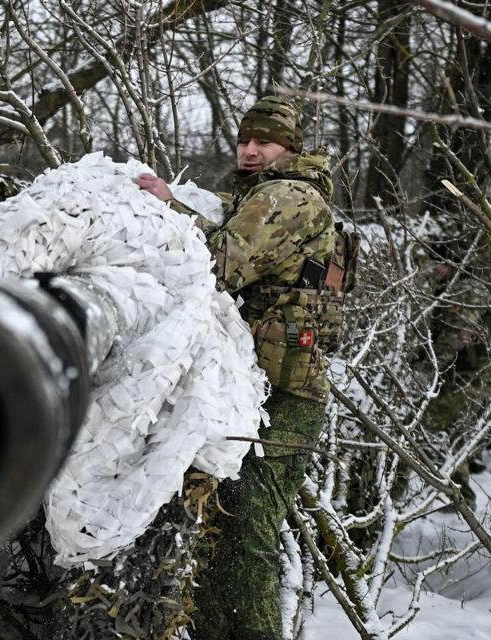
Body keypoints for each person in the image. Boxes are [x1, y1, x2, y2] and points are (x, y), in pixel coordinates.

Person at [135, 95, 352, 640]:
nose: (251, 150)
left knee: (249, 529)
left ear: (290, 148)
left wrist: (165, 205)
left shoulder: (288, 196)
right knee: (219, 525)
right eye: (245, 140)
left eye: (265, 142)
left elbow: (220, 263)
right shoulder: (256, 193)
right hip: (251, 386)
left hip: (287, 393)